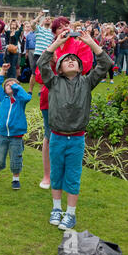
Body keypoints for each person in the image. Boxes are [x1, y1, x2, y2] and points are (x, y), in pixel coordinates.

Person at [38, 30, 113, 230]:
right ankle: (56, 209)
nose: (71, 61)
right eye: (66, 59)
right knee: (56, 174)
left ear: (80, 67)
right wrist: (56, 43)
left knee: (72, 175)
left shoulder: (87, 82)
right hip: (57, 137)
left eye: (74, 60)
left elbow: (106, 64)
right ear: (60, 68)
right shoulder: (53, 82)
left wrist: (91, 42)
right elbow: (42, 64)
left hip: (77, 139)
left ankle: (70, 214)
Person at [0, 63, 32, 189]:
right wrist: (2, 71)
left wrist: (15, 86)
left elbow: (27, 97)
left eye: (12, 84)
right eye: (7, 85)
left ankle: (15, 179)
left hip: (16, 136)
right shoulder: (3, 98)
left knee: (15, 158)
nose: (9, 86)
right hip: (2, 134)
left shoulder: (20, 100)